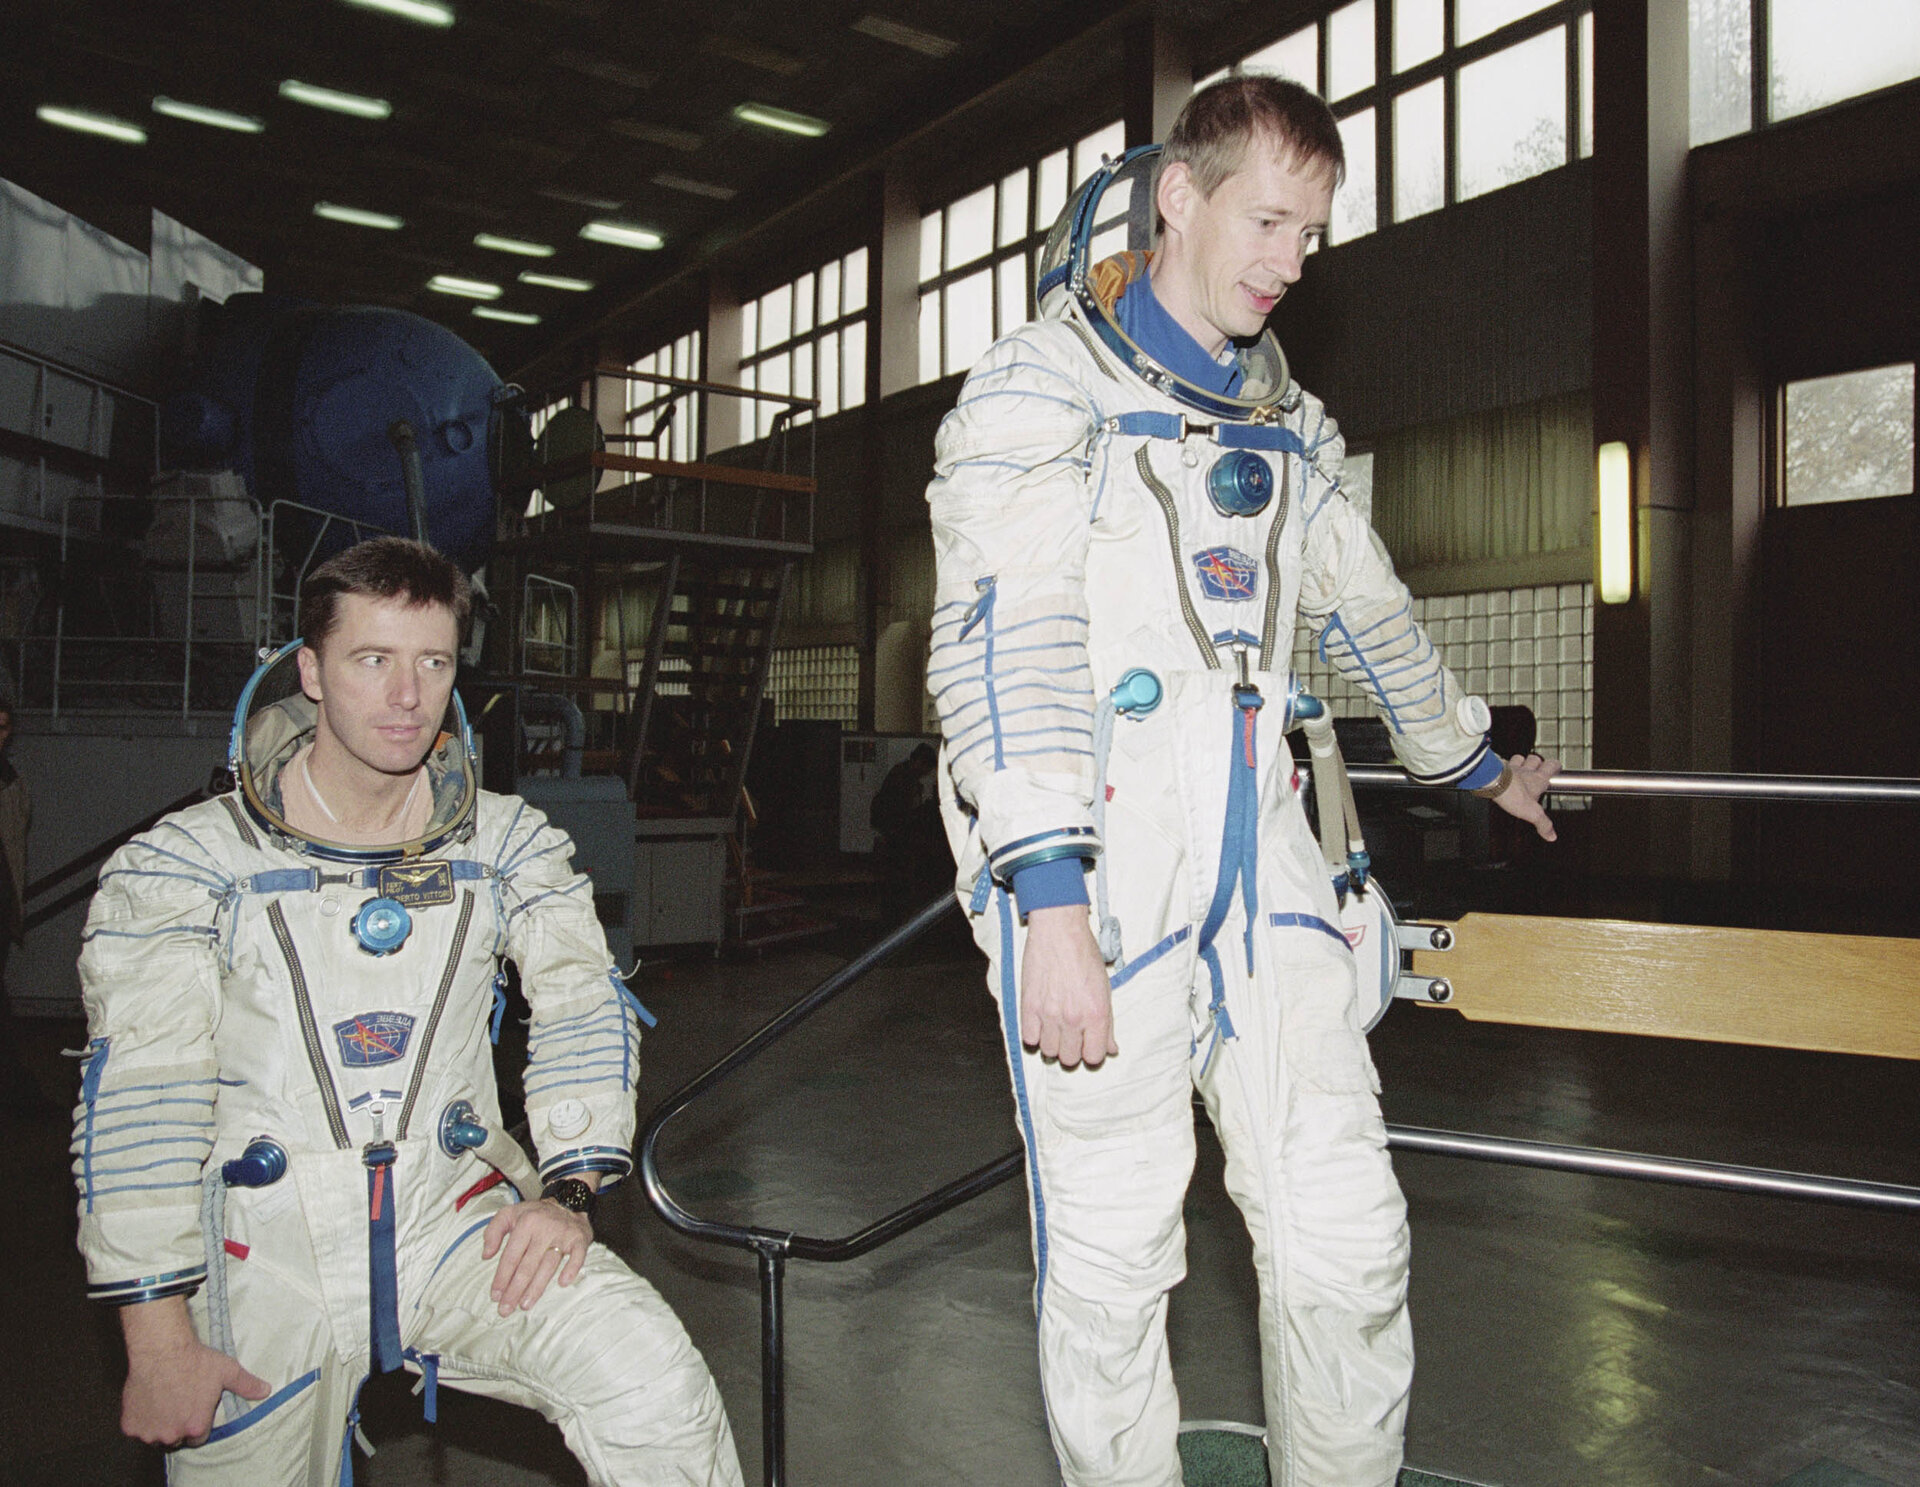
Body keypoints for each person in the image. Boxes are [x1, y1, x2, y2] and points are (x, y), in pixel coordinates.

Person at [925, 77, 1557, 1487]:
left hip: (1262, 857)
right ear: (1177, 197)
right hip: (1091, 866)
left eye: (1313, 234)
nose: (1287, 259)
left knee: (1348, 1237)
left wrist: (1469, 761)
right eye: (1265, 218)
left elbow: (1369, 605)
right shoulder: (1041, 392)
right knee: (1116, 1256)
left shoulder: (1290, 427)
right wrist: (1049, 901)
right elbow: (1001, 641)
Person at [72, 538, 741, 1486]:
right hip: (263, 1257)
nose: (406, 697)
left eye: (432, 662)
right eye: (372, 659)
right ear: (309, 671)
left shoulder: (509, 846)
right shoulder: (187, 868)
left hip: (454, 1221)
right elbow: (142, 1099)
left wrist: (573, 1190)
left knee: (651, 1382)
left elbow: (583, 1006)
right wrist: (157, 1333)